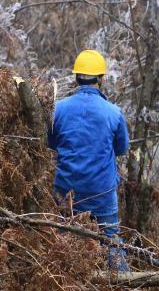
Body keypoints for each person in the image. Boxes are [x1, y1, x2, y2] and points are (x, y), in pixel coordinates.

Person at [48, 49, 130, 271]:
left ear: (76, 78)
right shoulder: (114, 112)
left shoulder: (58, 109)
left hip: (65, 190)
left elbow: (52, 143)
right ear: (101, 79)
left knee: (62, 239)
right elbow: (121, 149)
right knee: (111, 239)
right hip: (101, 191)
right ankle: (123, 282)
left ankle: (63, 280)